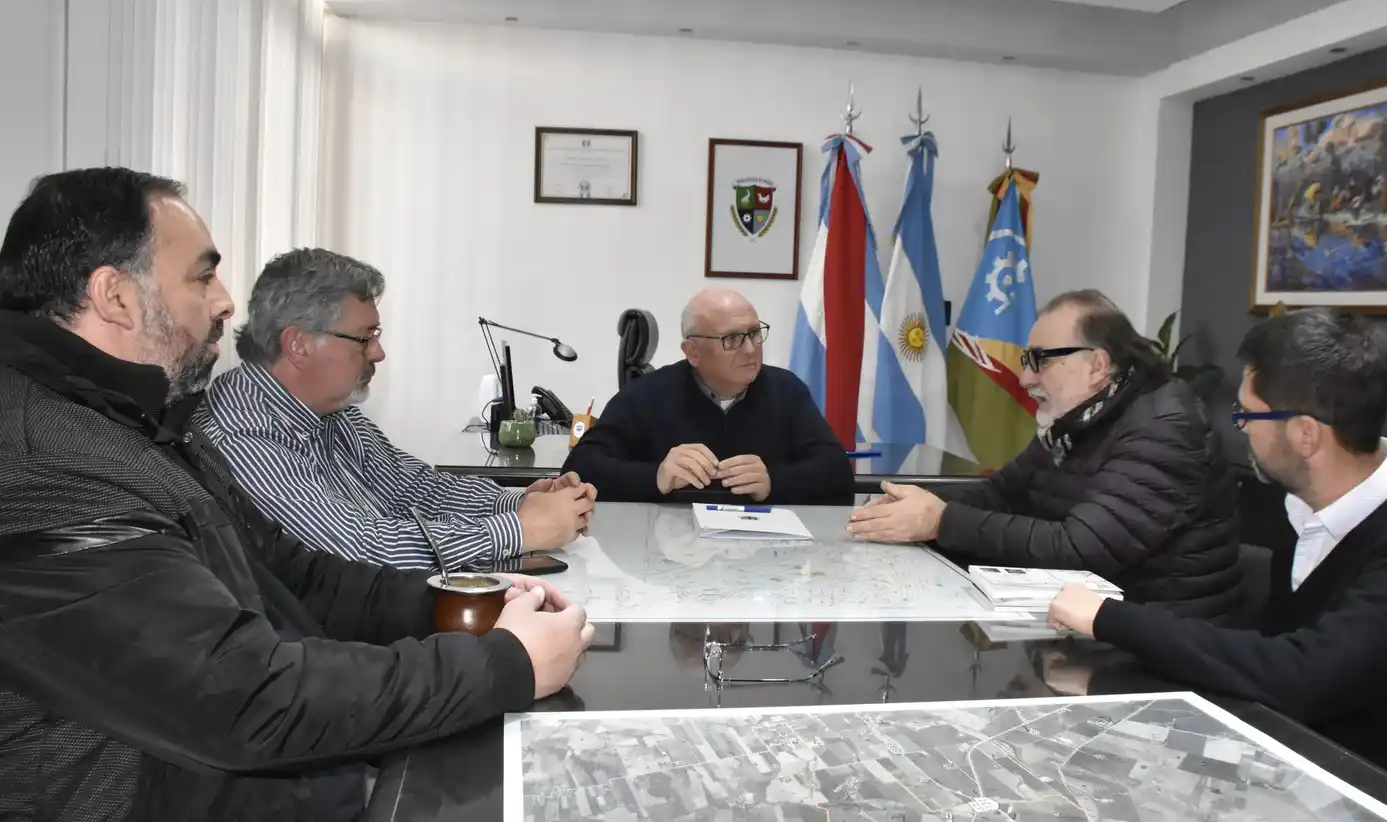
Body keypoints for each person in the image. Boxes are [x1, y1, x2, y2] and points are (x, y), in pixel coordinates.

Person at [0, 168, 592, 822]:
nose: (224, 303)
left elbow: (299, 576)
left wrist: (463, 600)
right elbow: (245, 696)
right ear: (115, 295)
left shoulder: (138, 425)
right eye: (202, 278)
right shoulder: (49, 467)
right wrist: (503, 666)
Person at [1047, 308, 1387, 808]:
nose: (1242, 430)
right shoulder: (1307, 509)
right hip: (1296, 775)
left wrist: (1109, 619)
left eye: (1247, 415)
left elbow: (1300, 674)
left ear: (1305, 434)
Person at [848, 289, 1242, 622]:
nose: (1025, 379)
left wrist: (940, 521)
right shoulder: (1079, 418)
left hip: (1163, 640)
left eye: (1041, 360)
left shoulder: (1165, 427)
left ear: (1097, 365)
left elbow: (1081, 549)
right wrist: (908, 509)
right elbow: (1001, 492)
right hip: (1089, 622)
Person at [198, 248, 596, 572]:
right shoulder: (244, 435)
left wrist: (519, 501)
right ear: (299, 345)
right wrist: (520, 530)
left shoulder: (333, 414)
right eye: (364, 338)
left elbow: (419, 489)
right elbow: (362, 552)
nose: (379, 353)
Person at [561, 287, 854, 504]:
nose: (751, 349)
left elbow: (837, 475)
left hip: (762, 566)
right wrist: (656, 477)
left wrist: (774, 482)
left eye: (754, 333)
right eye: (732, 339)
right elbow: (579, 468)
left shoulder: (787, 390)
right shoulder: (647, 394)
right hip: (670, 563)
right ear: (693, 352)